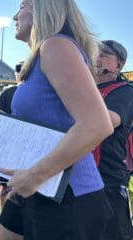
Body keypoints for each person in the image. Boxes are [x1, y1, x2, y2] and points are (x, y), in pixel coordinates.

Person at [0, 0, 114, 239]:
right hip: (33, 184)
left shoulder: (56, 46)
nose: (15, 16)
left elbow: (96, 125)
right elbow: (25, 128)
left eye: (22, 6)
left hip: (67, 194)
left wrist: (35, 176)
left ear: (43, 8)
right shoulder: (39, 58)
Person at [95, 40, 133, 240]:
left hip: (107, 179)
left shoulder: (125, 91)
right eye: (94, 53)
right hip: (80, 176)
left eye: (104, 55)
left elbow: (106, 121)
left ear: (119, 65)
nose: (96, 58)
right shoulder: (86, 87)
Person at [0, 62, 22, 209]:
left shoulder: (7, 92)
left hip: (7, 145)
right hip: (23, 146)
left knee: (4, 186)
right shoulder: (10, 93)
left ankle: (4, 218)